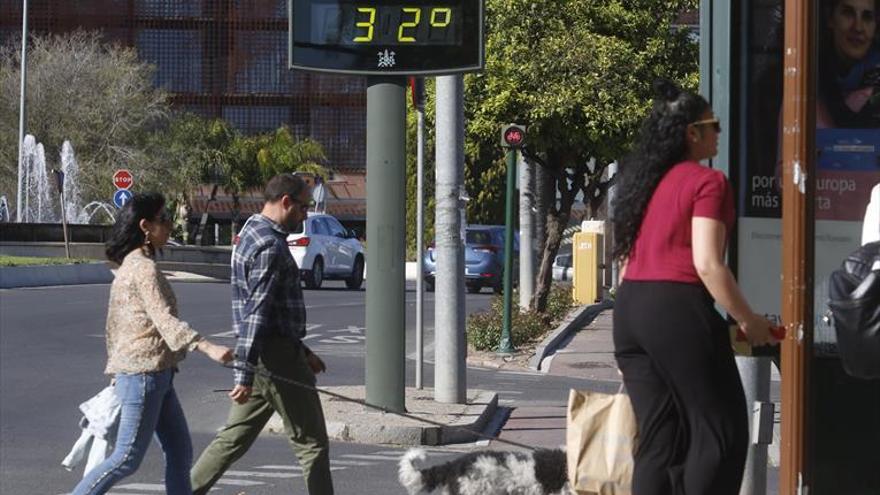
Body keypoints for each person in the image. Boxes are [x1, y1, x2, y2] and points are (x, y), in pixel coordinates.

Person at [610, 80, 779, 495]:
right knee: (719, 430)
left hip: (631, 310)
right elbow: (707, 263)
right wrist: (750, 321)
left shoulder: (644, 184)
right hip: (676, 307)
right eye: (713, 124)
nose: (719, 132)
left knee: (658, 439)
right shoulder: (708, 183)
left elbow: (625, 260)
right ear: (692, 133)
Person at [71, 192, 233, 495]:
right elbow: (165, 320)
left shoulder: (131, 265)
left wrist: (118, 365)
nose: (169, 224)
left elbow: (115, 328)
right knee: (127, 458)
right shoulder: (143, 269)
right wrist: (207, 346)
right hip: (144, 374)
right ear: (145, 226)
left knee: (179, 451)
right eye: (164, 218)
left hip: (155, 374)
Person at [191, 173, 334, 495]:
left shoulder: (250, 233)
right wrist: (243, 375)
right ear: (286, 202)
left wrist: (303, 351)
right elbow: (257, 313)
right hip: (275, 357)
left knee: (233, 438)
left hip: (263, 354)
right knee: (312, 443)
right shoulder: (270, 245)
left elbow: (267, 311)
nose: (306, 214)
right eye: (302, 207)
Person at [817, 0, 879, 128]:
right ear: (830, 18)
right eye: (848, 13)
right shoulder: (804, 81)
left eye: (867, 17)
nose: (858, 27)